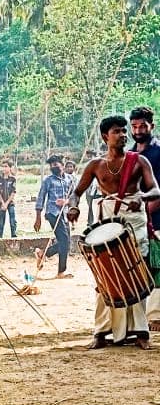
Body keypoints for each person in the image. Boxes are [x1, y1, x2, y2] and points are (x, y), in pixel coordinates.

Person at [67, 114, 159, 349]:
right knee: (106, 276)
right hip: (108, 220)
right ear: (104, 136)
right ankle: (101, 332)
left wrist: (142, 198)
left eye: (124, 131)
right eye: (117, 131)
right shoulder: (96, 165)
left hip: (134, 221)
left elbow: (155, 190)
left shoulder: (139, 161)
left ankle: (141, 333)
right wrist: (74, 207)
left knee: (136, 272)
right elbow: (76, 192)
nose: (123, 135)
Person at [129, 107, 160, 331]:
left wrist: (146, 212)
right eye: (134, 126)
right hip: (135, 219)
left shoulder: (159, 153)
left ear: (152, 126)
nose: (138, 130)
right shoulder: (129, 155)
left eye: (142, 126)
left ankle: (156, 315)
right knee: (138, 268)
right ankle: (138, 319)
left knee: (158, 267)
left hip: (156, 219)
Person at [34, 155, 73, 278]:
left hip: (65, 214)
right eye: (51, 165)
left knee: (65, 242)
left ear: (62, 164)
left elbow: (75, 197)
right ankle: (61, 271)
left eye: (55, 164)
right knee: (64, 241)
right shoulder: (48, 180)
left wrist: (66, 202)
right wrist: (38, 217)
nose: (53, 167)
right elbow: (41, 197)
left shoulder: (70, 179)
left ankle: (43, 254)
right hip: (52, 213)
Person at [0, 159, 17, 238]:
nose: (4, 168)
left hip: (10, 203)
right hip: (1, 203)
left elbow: (13, 192)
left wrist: (7, 203)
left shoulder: (13, 179)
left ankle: (13, 234)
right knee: (1, 220)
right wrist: (2, 202)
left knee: (12, 220)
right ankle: (0, 235)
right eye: (3, 166)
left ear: (10, 168)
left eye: (6, 166)